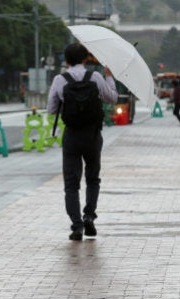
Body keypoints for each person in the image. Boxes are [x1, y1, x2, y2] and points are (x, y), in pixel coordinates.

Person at [47, 43, 118, 241]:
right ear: (85, 59)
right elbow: (112, 98)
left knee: (71, 184)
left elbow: (51, 109)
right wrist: (109, 76)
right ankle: (89, 215)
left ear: (66, 60)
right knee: (93, 178)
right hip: (93, 135)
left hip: (71, 136)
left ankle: (76, 225)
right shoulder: (95, 77)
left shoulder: (60, 80)